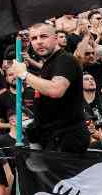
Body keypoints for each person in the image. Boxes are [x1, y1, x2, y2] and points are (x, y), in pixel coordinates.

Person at [13, 22, 90, 152]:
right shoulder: (49, 63)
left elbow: (56, 90)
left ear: (55, 39)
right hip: (52, 138)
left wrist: (24, 74)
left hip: (66, 138)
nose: (39, 42)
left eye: (43, 36)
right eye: (34, 38)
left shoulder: (65, 60)